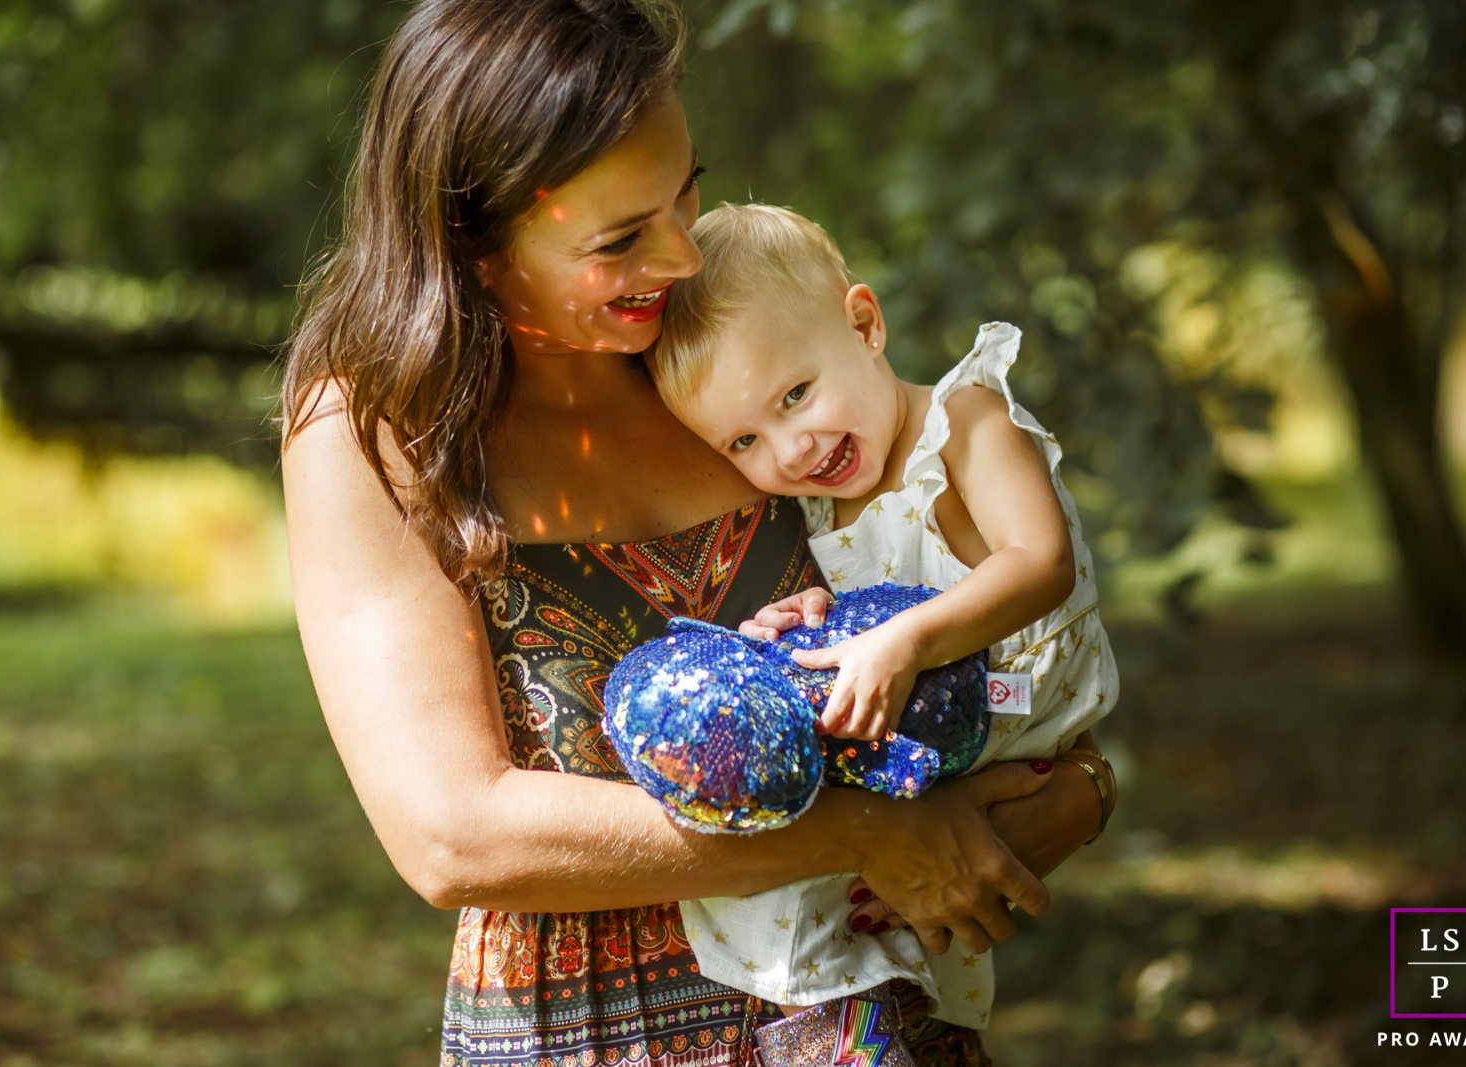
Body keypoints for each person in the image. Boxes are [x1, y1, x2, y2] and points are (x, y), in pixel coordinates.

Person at [279, 3, 1114, 1066]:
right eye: (620, 237)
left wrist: (1078, 789)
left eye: (685, 193)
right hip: (584, 1032)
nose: (679, 258)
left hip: (867, 1019)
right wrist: (864, 834)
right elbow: (451, 832)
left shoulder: (729, 361)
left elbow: (983, 607)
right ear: (475, 241)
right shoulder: (378, 427)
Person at [640, 204, 1120, 1052]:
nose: (791, 448)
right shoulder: (819, 503)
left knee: (827, 853)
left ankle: (847, 1023)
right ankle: (844, 1024)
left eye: (796, 394)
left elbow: (1038, 562)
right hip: (930, 745)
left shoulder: (965, 421)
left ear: (863, 323)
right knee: (808, 850)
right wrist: (809, 619)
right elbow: (870, 615)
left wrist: (901, 641)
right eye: (745, 438)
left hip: (1011, 706)